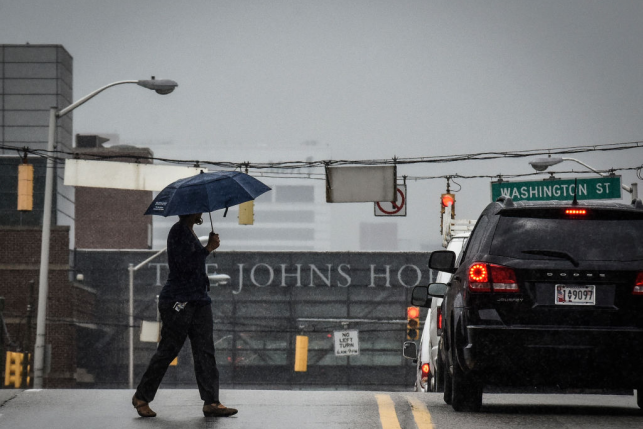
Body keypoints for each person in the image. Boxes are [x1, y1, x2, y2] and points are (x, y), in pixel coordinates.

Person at [132, 212, 238, 418]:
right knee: (169, 349)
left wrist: (205, 252)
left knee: (205, 350)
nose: (200, 211)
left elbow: (194, 265)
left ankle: (211, 402)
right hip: (178, 300)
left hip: (199, 300)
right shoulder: (178, 231)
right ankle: (141, 397)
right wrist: (208, 249)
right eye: (196, 207)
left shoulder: (190, 232)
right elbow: (183, 265)